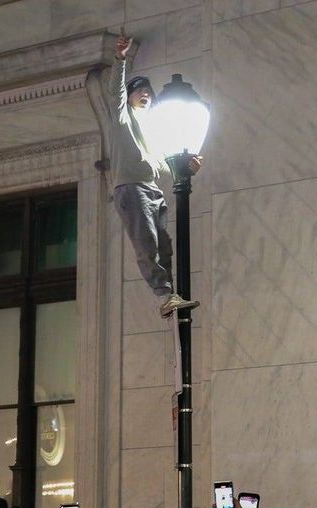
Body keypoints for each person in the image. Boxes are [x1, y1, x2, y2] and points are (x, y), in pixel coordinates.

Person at [108, 32, 202, 319]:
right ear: (132, 97)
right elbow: (116, 95)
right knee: (146, 241)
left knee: (164, 245)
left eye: (148, 91)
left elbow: (165, 165)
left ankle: (170, 293)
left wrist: (188, 167)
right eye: (140, 91)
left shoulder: (153, 130)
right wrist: (120, 60)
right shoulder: (124, 120)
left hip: (151, 189)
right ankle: (163, 295)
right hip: (131, 187)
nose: (145, 94)